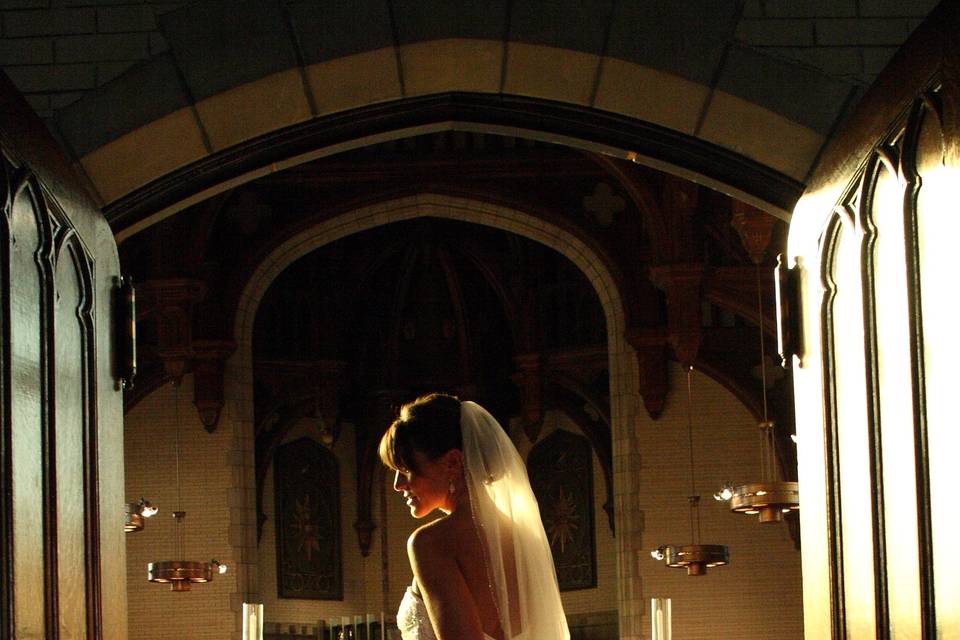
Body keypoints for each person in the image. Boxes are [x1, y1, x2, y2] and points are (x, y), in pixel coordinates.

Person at [379, 393, 570, 640]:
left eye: (406, 470)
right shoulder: (524, 537)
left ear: (453, 462)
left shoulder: (430, 543)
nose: (398, 485)